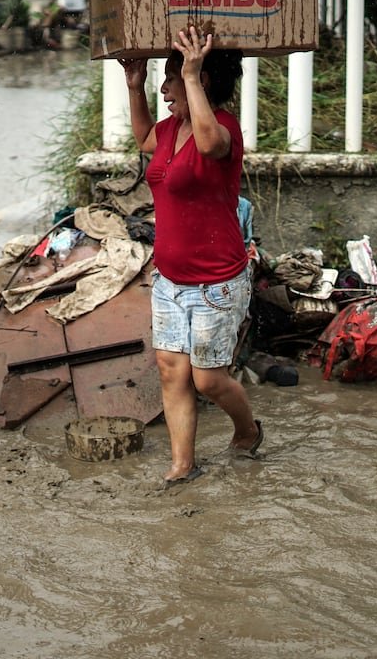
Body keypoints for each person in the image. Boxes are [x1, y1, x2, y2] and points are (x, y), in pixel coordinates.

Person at [120, 26, 262, 485]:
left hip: (217, 281)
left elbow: (207, 144)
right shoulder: (169, 130)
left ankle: (248, 430)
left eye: (171, 78)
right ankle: (183, 464)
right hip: (169, 280)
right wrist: (134, 85)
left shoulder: (222, 131)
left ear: (199, 79)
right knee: (170, 372)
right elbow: (144, 137)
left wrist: (194, 73)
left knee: (208, 380)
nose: (166, 88)